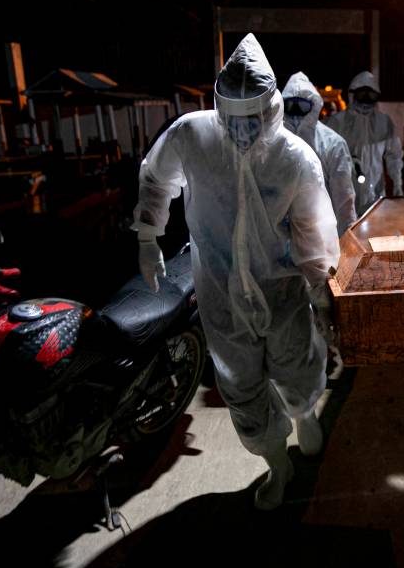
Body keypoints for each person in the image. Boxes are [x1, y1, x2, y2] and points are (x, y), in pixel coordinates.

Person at [133, 34, 340, 510]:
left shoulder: (294, 158)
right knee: (241, 389)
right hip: (220, 295)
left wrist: (321, 293)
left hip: (282, 290)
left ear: (272, 110)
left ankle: (304, 412)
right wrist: (148, 234)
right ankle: (276, 464)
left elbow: (314, 232)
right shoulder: (193, 136)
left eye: (254, 119)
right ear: (219, 110)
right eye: (235, 119)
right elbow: (155, 176)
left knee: (297, 369)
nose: (243, 130)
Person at [282, 71, 357, 235]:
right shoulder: (274, 141)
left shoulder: (332, 144)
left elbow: (344, 199)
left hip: (322, 237)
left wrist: (346, 240)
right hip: (283, 239)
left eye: (302, 105)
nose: (296, 112)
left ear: (314, 105)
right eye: (290, 105)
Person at [326, 71, 404, 216]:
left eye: (371, 95)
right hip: (345, 192)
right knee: (347, 232)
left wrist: (397, 183)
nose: (366, 100)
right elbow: (327, 157)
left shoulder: (384, 123)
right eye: (362, 94)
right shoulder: (337, 122)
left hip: (375, 192)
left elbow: (394, 155)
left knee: (374, 233)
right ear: (352, 94)